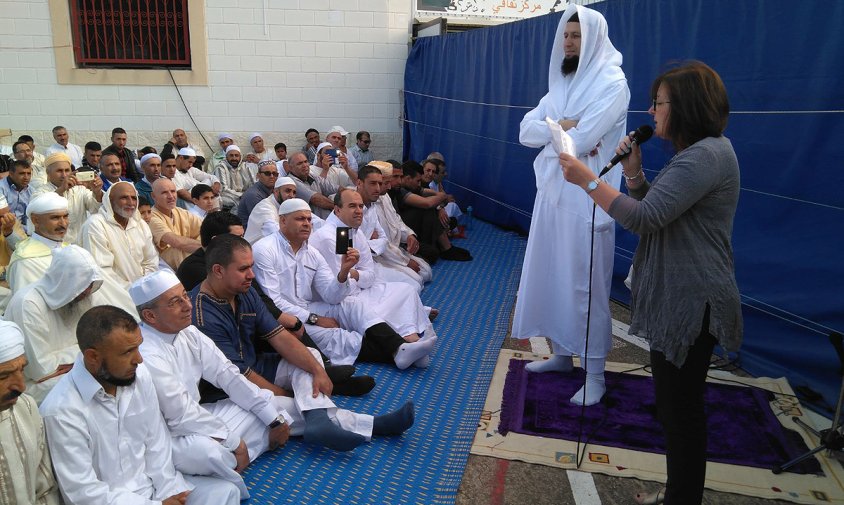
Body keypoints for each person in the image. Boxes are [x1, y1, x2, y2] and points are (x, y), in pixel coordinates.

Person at [559, 61, 741, 505]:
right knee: (675, 407)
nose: (652, 111)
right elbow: (657, 211)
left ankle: (682, 498)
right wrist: (634, 172)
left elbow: (642, 219)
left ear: (685, 106)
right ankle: (680, 492)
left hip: (692, 298)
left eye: (658, 103)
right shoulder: (699, 154)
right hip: (680, 295)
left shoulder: (705, 156)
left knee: (680, 411)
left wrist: (587, 179)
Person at [191, 234, 415, 450]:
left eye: (251, 266)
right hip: (226, 390)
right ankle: (374, 425)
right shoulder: (203, 316)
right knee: (286, 408)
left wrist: (319, 371)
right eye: (243, 269)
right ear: (218, 271)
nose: (251, 274)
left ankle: (318, 418)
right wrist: (293, 396)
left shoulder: (243, 290)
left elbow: (280, 336)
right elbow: (238, 376)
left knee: (310, 356)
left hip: (255, 365)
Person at [514, 5, 630, 407]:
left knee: (587, 285)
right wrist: (563, 126)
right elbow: (524, 132)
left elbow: (580, 144)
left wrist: (562, 130)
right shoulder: (558, 89)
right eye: (566, 35)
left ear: (594, 39)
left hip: (589, 197)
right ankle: (562, 356)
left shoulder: (613, 84)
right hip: (552, 194)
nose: (568, 42)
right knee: (553, 275)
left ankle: (595, 373)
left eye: (577, 36)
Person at [39, 305, 241, 504]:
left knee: (225, 493)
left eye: (138, 346)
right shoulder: (61, 410)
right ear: (93, 357)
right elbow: (83, 494)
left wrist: (169, 491)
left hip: (154, 490)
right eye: (128, 352)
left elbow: (156, 441)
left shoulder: (138, 375)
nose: (139, 359)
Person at [253, 198, 437, 368]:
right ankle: (397, 352)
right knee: (335, 336)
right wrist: (316, 319)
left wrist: (343, 273)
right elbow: (274, 303)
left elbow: (335, 292)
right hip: (282, 318)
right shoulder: (267, 249)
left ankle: (400, 347)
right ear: (282, 221)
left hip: (318, 302)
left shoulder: (315, 251)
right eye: (300, 219)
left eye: (309, 219)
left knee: (355, 303)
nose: (307, 224)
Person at [310, 190, 434, 341]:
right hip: (341, 299)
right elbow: (341, 286)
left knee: (406, 290)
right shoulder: (332, 236)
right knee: (372, 307)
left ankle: (409, 331)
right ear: (337, 210)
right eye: (352, 206)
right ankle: (409, 336)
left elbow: (369, 273)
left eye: (360, 206)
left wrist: (357, 275)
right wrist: (357, 275)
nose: (358, 211)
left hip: (359, 290)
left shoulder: (352, 231)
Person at [5, 245, 122, 403]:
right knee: (100, 378)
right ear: (65, 280)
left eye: (89, 285)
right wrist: (89, 354)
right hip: (35, 385)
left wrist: (79, 358)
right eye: (83, 285)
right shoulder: (28, 304)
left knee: (121, 367)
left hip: (75, 368)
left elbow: (103, 338)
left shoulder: (83, 296)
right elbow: (40, 370)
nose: (88, 291)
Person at [0, 321, 61, 504]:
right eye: (4, 376)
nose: (20, 385)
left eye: (22, 370)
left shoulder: (25, 407)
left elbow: (45, 489)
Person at [356, 165, 428, 291]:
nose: (378, 188)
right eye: (373, 183)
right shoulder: (354, 208)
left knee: (424, 273)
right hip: (368, 262)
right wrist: (371, 244)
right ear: (359, 183)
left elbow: (385, 236)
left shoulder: (373, 205)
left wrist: (409, 235)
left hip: (383, 254)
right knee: (415, 283)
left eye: (380, 183)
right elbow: (357, 246)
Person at [81, 181, 158, 288]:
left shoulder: (140, 224)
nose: (131, 203)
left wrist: (144, 286)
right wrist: (132, 291)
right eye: (124, 198)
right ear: (110, 201)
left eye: (134, 198)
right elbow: (102, 271)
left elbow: (150, 260)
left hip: (143, 288)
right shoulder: (96, 225)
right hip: (112, 294)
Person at [34, 152, 103, 245]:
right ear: (48, 173)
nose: (64, 175)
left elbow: (95, 209)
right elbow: (41, 209)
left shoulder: (80, 189)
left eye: (67, 170)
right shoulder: (40, 192)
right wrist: (61, 189)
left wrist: (97, 192)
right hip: (52, 246)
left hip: (79, 245)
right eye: (59, 171)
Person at [149, 178, 202, 270]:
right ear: (153, 196)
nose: (171, 196)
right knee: (179, 250)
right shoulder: (151, 217)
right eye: (164, 192)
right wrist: (208, 248)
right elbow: (176, 242)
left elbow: (205, 230)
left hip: (189, 256)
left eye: (173, 191)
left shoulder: (182, 212)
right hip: (163, 264)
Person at [244, 175, 312, 245]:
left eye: (294, 192)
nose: (291, 195)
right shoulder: (264, 207)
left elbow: (315, 220)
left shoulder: (289, 206)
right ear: (276, 191)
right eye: (287, 191)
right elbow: (274, 231)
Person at [286, 152, 336, 219]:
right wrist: (339, 208)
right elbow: (316, 199)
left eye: (306, 162)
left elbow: (333, 187)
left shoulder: (311, 176)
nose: (304, 165)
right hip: (311, 222)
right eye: (300, 163)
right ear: (290, 168)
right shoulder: (291, 181)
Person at [212, 145, 253, 211]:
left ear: (240, 156)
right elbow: (223, 189)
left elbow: (253, 184)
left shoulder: (246, 166)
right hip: (227, 197)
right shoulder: (220, 167)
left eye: (236, 155)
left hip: (245, 196)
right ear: (226, 157)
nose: (234, 158)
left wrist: (249, 195)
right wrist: (242, 196)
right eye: (231, 155)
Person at [237, 159, 278, 226]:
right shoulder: (253, 195)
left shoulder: (273, 189)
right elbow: (265, 222)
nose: (272, 176)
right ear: (258, 175)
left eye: (275, 173)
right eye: (267, 173)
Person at [0, 158, 33, 229]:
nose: (26, 177)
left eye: (29, 174)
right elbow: (3, 219)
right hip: (4, 229)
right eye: (22, 173)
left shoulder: (31, 190)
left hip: (24, 230)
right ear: (11, 174)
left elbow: (30, 217)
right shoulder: (1, 188)